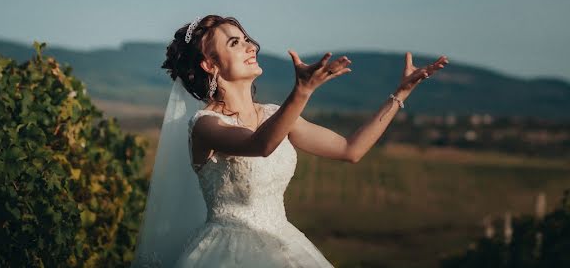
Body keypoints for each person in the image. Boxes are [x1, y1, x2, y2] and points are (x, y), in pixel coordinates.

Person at [131, 15, 447, 267]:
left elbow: (351, 150)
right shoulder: (205, 125)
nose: (250, 46)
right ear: (210, 64)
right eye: (235, 43)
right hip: (226, 254)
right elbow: (260, 145)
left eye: (247, 39)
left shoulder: (274, 116)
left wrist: (400, 94)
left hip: (285, 246)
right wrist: (303, 91)